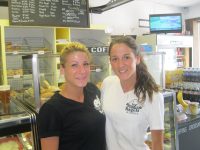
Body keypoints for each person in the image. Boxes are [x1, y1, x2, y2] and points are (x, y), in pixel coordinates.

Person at [38, 42, 106, 150]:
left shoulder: (93, 90)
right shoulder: (51, 110)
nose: (82, 71)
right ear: (62, 69)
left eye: (85, 64)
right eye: (74, 65)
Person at [101, 36, 164, 150]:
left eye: (126, 57)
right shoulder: (107, 84)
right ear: (110, 61)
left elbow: (157, 144)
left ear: (137, 59)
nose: (121, 64)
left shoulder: (152, 96)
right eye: (115, 59)